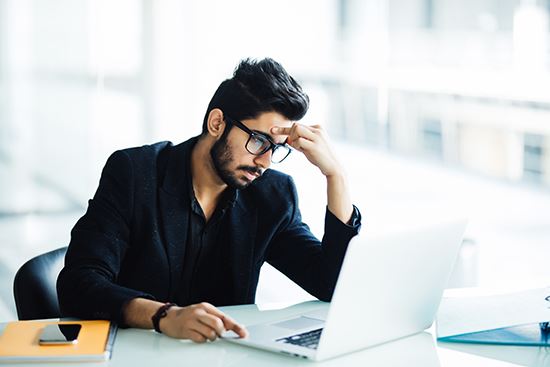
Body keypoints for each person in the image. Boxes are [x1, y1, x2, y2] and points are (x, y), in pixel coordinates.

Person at [57, 58, 361, 343]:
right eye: (258, 141)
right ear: (217, 123)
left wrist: (336, 177)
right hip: (136, 352)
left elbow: (330, 284)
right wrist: (163, 316)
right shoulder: (135, 173)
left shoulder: (271, 196)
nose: (265, 162)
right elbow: (79, 283)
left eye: (276, 148)